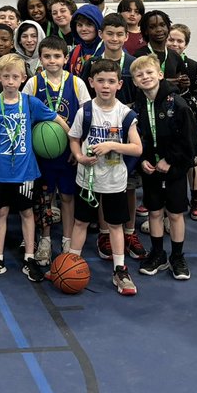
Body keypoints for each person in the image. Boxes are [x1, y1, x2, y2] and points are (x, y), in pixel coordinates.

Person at [0, 54, 61, 283]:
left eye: (15, 77)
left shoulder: (30, 102)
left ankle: (29, 258)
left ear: (23, 78)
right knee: (2, 213)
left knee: (27, 213)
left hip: (25, 172)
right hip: (0, 172)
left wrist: (73, 142)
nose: (10, 81)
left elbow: (55, 119)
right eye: (5, 76)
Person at [65, 58, 142, 296]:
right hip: (86, 179)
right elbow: (74, 138)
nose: (105, 86)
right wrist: (78, 156)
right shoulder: (85, 111)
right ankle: (71, 264)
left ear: (120, 84)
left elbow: (137, 148)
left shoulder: (125, 114)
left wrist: (111, 145)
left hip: (114, 181)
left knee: (115, 225)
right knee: (81, 222)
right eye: (100, 81)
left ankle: (120, 269)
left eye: (111, 81)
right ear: (91, 82)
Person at [129, 56, 197, 282]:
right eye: (139, 75)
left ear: (159, 74)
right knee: (154, 211)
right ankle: (158, 254)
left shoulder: (176, 104)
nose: (145, 77)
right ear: (135, 82)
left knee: (175, 214)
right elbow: (138, 138)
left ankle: (177, 256)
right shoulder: (139, 105)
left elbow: (188, 141)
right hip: (150, 169)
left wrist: (169, 160)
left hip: (174, 169)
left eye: (149, 73)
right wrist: (141, 161)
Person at [22, 35, 89, 265]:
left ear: (65, 58)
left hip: (68, 152)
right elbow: (24, 115)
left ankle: (68, 239)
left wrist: (77, 147)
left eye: (57, 56)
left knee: (68, 196)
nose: (52, 61)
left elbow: (85, 117)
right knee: (44, 197)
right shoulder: (33, 83)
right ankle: (45, 239)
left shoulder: (77, 83)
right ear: (40, 58)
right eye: (47, 56)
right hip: (41, 153)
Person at [166, 23, 197, 221]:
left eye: (179, 41)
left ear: (186, 44)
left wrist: (182, 105)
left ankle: (195, 198)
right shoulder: (157, 64)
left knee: (192, 160)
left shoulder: (193, 67)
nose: (174, 44)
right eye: (171, 39)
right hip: (163, 123)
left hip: (187, 123)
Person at [66, 4, 103, 75]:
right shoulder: (75, 51)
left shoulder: (108, 50)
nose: (83, 29)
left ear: (98, 26)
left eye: (89, 24)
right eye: (79, 25)